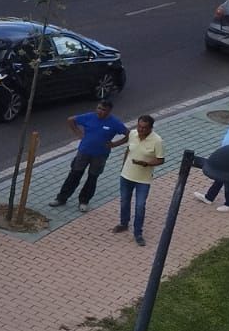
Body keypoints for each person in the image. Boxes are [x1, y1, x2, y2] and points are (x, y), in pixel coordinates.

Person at [50, 99, 128, 212]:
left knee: (92, 178)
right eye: (99, 108)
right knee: (74, 175)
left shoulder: (115, 123)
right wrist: (79, 134)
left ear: (109, 111)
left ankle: (84, 201)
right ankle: (61, 198)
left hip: (100, 155)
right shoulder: (89, 116)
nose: (100, 111)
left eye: (103, 110)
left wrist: (114, 144)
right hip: (83, 152)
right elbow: (71, 120)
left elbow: (128, 135)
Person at [113, 114, 166, 246]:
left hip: (143, 180)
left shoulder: (157, 141)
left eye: (144, 128)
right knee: (124, 201)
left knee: (140, 206)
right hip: (126, 176)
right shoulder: (132, 134)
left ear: (150, 128)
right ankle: (124, 223)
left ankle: (138, 233)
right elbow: (128, 150)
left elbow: (161, 159)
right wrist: (123, 167)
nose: (140, 130)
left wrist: (147, 164)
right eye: (139, 126)